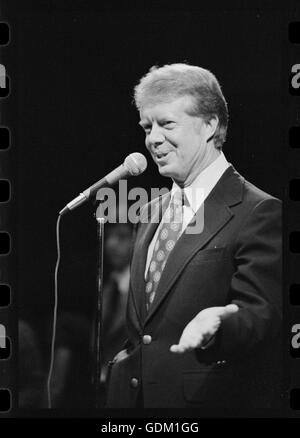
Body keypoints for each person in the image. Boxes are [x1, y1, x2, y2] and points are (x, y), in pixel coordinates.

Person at [106, 63, 282, 409]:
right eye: (147, 126)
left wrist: (220, 322)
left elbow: (260, 314)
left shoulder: (258, 210)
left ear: (210, 125)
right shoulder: (150, 212)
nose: (152, 138)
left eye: (166, 124)